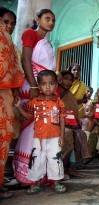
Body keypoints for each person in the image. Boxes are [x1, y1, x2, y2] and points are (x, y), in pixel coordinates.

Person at [13, 8, 57, 185]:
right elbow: (25, 60)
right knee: (31, 128)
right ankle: (26, 174)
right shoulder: (30, 34)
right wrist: (33, 85)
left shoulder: (47, 42)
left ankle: (40, 173)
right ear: (37, 19)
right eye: (47, 19)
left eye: (53, 20)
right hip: (32, 86)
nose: (51, 23)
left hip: (44, 86)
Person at [15, 70, 66, 194]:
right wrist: (18, 106)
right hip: (38, 137)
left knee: (55, 159)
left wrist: (62, 135)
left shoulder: (59, 102)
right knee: (37, 159)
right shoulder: (35, 102)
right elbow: (28, 116)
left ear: (56, 85)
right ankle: (36, 183)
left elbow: (62, 119)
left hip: (54, 137)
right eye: (44, 84)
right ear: (39, 86)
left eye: (51, 84)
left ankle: (57, 183)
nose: (48, 87)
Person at [0, 12, 24, 200]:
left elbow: (16, 72)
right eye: (5, 22)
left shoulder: (11, 46)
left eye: (12, 23)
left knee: (4, 139)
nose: (9, 26)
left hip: (6, 96)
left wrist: (15, 88)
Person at [58, 70, 91, 180]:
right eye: (65, 78)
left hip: (68, 125)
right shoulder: (54, 93)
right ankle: (61, 168)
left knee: (80, 133)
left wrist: (74, 123)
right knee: (67, 134)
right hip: (55, 124)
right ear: (59, 79)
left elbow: (75, 114)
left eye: (70, 80)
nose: (68, 82)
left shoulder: (70, 96)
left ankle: (71, 168)